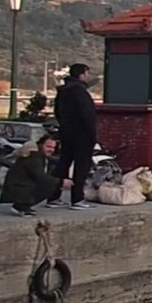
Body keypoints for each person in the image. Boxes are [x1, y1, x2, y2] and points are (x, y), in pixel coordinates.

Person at [47, 63, 97, 210]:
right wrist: (92, 135)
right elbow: (87, 115)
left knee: (63, 164)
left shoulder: (63, 91)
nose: (88, 76)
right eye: (87, 73)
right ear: (82, 75)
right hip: (82, 135)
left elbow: (57, 112)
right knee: (81, 167)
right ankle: (77, 198)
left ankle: (53, 196)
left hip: (66, 133)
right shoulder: (80, 91)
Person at [0, 135, 73, 217]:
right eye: (49, 147)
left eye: (53, 148)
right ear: (41, 145)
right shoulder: (34, 157)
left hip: (17, 186)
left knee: (51, 182)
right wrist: (61, 182)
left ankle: (23, 205)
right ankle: (21, 206)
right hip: (18, 187)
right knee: (51, 185)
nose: (51, 150)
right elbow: (39, 176)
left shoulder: (36, 154)